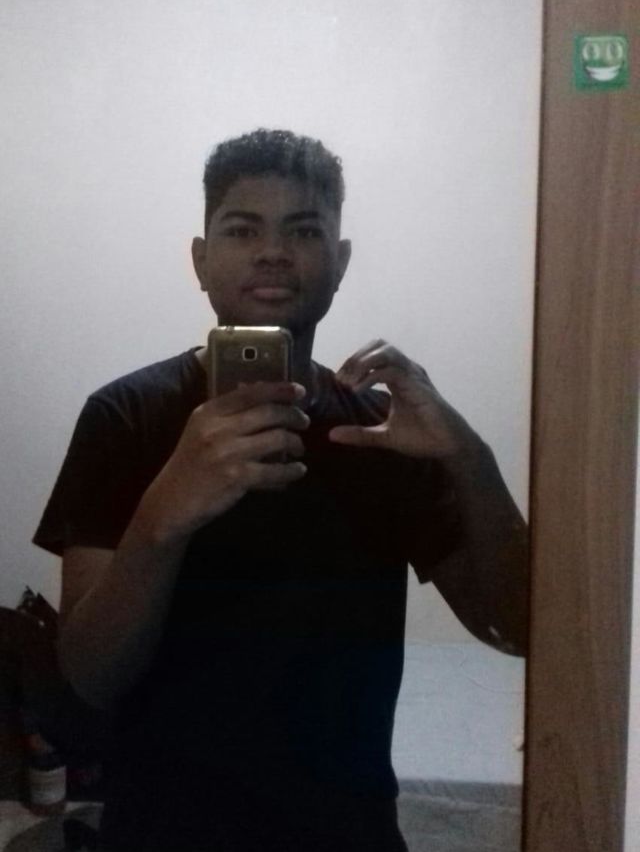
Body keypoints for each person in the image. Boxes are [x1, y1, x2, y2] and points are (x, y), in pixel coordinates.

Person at [33, 128, 528, 852]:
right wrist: (162, 519)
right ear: (201, 261)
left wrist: (470, 456)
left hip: (346, 834)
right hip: (162, 832)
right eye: (242, 230)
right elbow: (89, 678)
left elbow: (516, 628)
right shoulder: (125, 417)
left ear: (340, 262)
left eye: (303, 231)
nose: (272, 252)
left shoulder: (383, 430)